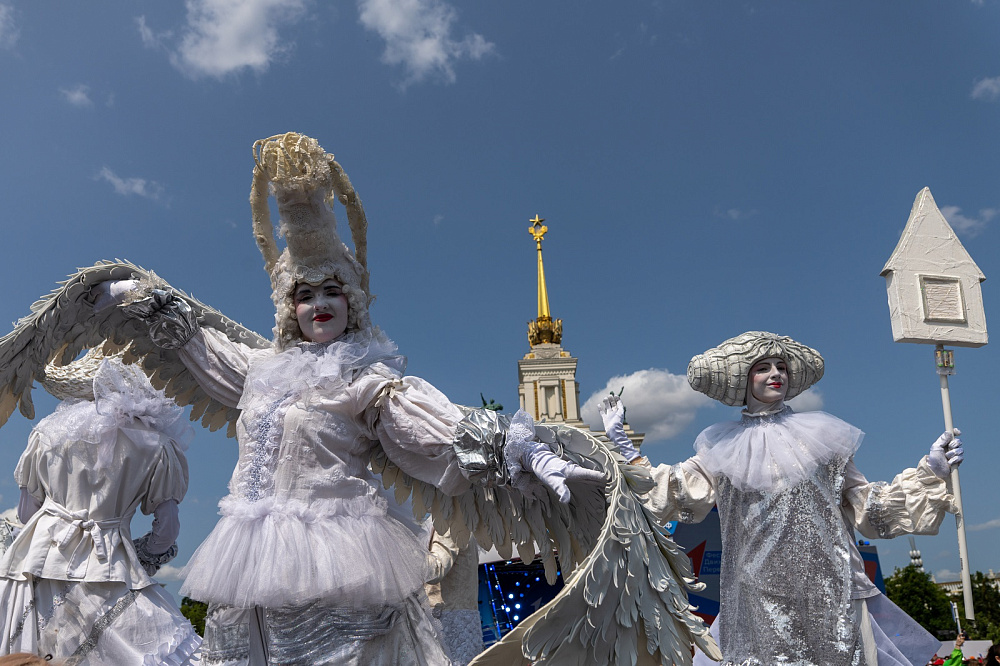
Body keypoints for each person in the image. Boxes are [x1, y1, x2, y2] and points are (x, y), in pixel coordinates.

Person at [103, 133, 603, 665]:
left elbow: (437, 428)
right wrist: (136, 299)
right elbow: (197, 346)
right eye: (305, 294)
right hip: (246, 559)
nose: (318, 303)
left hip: (338, 558)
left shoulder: (367, 378)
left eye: (331, 290)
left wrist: (529, 452)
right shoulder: (261, 372)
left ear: (352, 300)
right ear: (289, 308)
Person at [600, 331, 963, 666]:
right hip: (757, 592)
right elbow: (674, 491)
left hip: (829, 585)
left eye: (781, 366)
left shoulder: (823, 437)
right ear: (744, 379)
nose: (776, 373)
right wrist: (623, 445)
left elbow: (869, 508)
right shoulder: (720, 447)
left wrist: (931, 472)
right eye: (763, 367)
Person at [0, 351, 200, 664]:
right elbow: (167, 529)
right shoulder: (155, 443)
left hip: (37, 561)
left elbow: (28, 514)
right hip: (109, 567)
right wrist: (142, 554)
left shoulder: (45, 434)